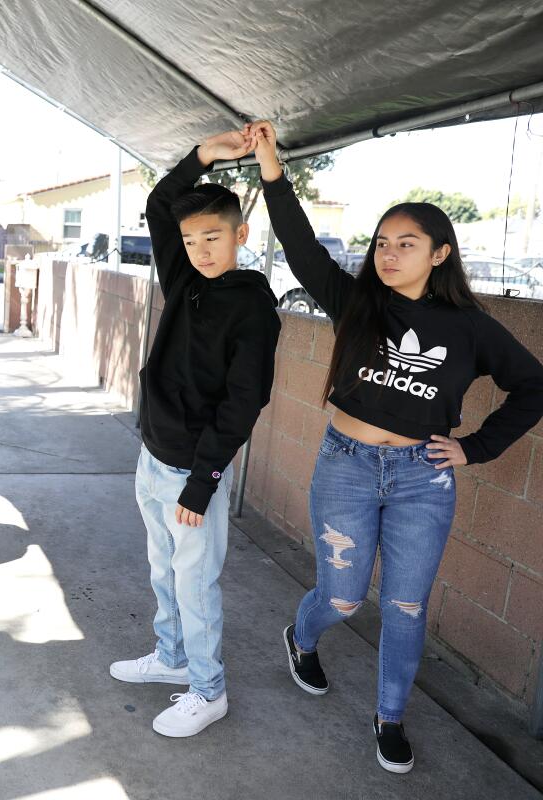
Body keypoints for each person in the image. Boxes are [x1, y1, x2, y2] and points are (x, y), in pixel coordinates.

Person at [252, 120, 543, 773]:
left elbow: (533, 386)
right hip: (347, 466)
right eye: (383, 242)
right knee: (345, 596)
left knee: (407, 605)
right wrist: (271, 168)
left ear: (440, 253)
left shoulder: (470, 328)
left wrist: (477, 448)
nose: (388, 254)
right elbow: (299, 244)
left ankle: (390, 717)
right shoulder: (356, 303)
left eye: (406, 244)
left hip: (422, 476)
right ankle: (302, 639)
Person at [110, 131, 281, 737]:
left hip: (192, 472)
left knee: (196, 585)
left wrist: (203, 483)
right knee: (163, 571)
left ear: (240, 235)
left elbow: (243, 403)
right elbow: (161, 204)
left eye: (213, 237)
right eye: (191, 240)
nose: (200, 249)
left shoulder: (253, 306)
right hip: (153, 455)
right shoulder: (184, 278)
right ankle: (171, 658)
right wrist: (204, 156)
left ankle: (209, 691)